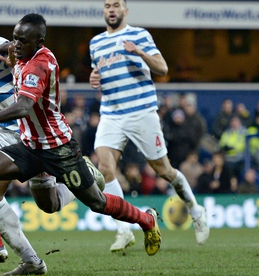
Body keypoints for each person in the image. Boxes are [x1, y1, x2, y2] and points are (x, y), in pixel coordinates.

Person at [0, 13, 161, 269]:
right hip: (29, 145)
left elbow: (23, 107)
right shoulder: (19, 54)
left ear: (39, 42)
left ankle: (146, 219)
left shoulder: (40, 64)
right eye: (15, 38)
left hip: (57, 147)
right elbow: (6, 54)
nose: (15, 45)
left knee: (97, 203)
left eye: (22, 41)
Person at [0, 14, 107, 275]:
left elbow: (17, 50)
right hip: (3, 131)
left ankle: (85, 177)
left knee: (48, 204)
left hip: (28, 129)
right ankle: (28, 260)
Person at [89, 0, 209, 247]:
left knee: (164, 171)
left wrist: (141, 53)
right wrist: (95, 78)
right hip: (111, 113)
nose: (111, 9)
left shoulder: (139, 35)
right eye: (107, 5)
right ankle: (123, 230)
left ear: (125, 10)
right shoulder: (96, 43)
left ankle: (196, 211)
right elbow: (99, 73)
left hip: (142, 111)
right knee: (105, 166)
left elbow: (163, 68)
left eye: (116, 5)